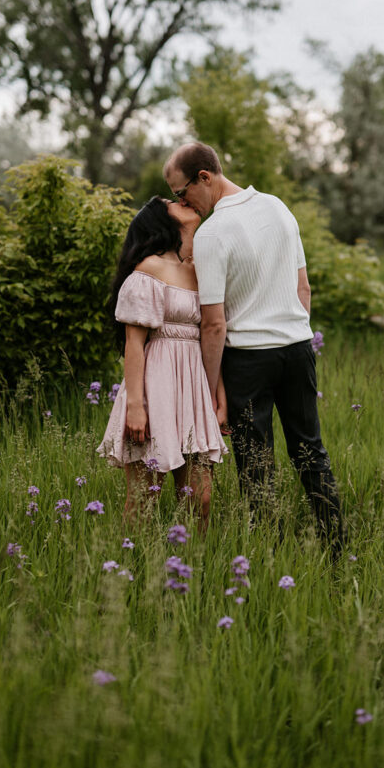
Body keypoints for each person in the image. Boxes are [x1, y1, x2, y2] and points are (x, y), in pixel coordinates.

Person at [164, 142, 342, 552]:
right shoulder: (278, 207)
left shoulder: (212, 234)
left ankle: (270, 555)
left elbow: (213, 323)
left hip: (247, 360)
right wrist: (290, 329)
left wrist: (210, 390)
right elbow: (304, 288)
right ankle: (337, 548)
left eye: (181, 191)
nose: (182, 201)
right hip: (297, 348)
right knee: (310, 452)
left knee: (256, 465)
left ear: (204, 178)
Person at [96, 196, 227, 530]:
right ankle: (128, 567)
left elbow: (211, 335)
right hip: (155, 387)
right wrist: (136, 407)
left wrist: (218, 395)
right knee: (143, 497)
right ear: (160, 220)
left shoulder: (202, 268)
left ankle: (198, 569)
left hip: (193, 386)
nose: (183, 201)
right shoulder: (149, 269)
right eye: (172, 201)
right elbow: (134, 344)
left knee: (201, 497)